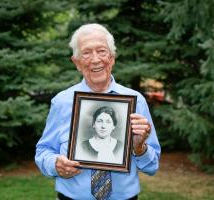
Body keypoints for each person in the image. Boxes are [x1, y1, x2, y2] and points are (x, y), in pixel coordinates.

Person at [35, 23, 161, 200]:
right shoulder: (62, 102)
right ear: (76, 62)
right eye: (86, 53)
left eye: (101, 51)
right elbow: (43, 151)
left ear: (112, 57)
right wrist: (55, 165)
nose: (95, 59)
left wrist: (139, 148)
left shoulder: (136, 101)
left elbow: (152, 166)